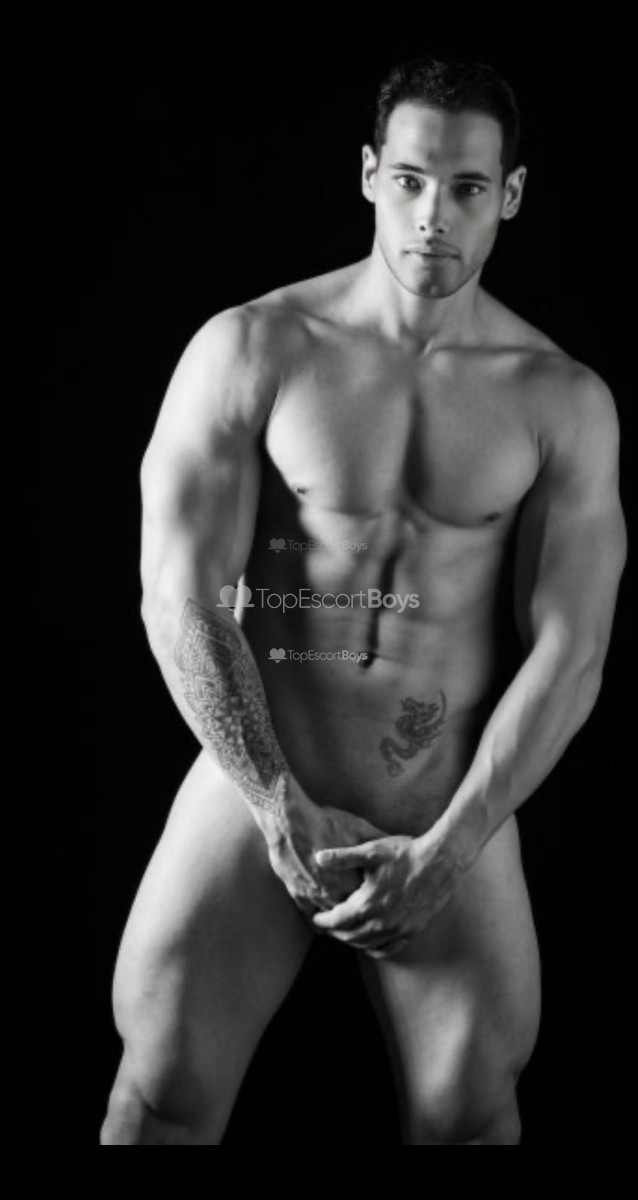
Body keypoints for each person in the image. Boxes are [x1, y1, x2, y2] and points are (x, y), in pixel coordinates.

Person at [100, 54, 627, 1145]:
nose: (433, 215)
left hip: (446, 804)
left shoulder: (560, 402)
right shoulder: (255, 348)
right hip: (257, 783)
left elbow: (570, 652)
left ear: (509, 195)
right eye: (411, 180)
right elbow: (176, 593)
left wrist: (455, 844)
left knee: (470, 1119)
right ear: (368, 176)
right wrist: (274, 803)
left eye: (467, 187)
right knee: (160, 1099)